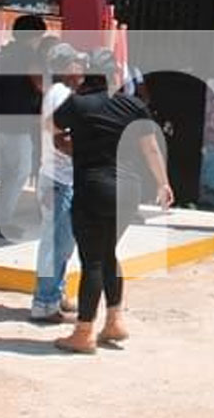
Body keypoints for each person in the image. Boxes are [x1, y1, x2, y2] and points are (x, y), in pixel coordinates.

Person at [53, 50, 174, 353]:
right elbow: (151, 150)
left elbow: (54, 133)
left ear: (87, 75)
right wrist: (163, 183)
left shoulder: (77, 104)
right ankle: (115, 321)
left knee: (92, 260)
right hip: (129, 190)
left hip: (93, 187)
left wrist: (74, 148)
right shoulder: (133, 106)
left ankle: (83, 332)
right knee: (108, 253)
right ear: (115, 77)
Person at [0, 15, 48, 240]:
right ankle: (2, 222)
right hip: (20, 125)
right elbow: (41, 86)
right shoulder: (29, 57)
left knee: (10, 172)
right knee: (18, 172)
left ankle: (3, 220)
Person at [30, 43, 84, 323]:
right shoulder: (61, 95)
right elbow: (61, 139)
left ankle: (54, 292)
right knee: (56, 243)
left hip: (60, 178)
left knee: (62, 242)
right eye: (76, 63)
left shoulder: (60, 93)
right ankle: (44, 302)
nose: (82, 69)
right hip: (58, 179)